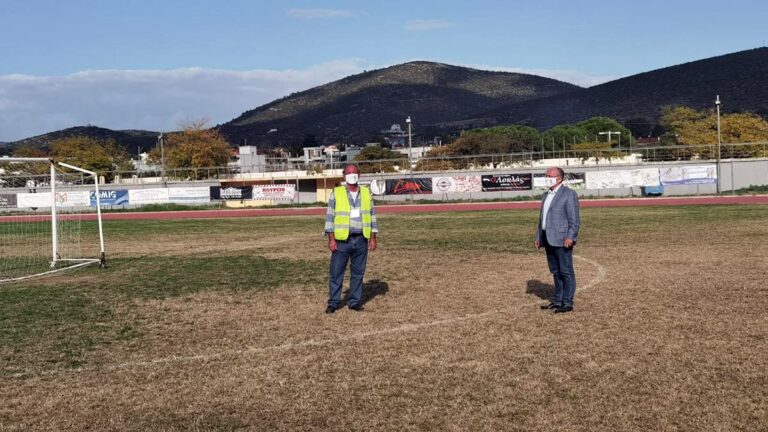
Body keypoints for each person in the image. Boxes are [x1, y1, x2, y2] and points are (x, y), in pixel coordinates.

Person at [324, 164, 378, 314]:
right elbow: (330, 217)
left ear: (359, 175)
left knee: (358, 273)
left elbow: (372, 216)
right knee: (336, 273)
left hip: (361, 239)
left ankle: (354, 301)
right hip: (342, 240)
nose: (352, 175)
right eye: (349, 172)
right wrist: (331, 238)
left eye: (354, 172)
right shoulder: (337, 193)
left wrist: (373, 237)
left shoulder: (367, 193)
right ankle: (333, 302)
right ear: (343, 175)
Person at [534, 167, 580, 313]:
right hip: (548, 239)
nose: (546, 177)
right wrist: (538, 236)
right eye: (545, 175)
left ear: (559, 178)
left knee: (565, 271)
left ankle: (567, 302)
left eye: (549, 175)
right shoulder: (545, 195)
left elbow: (574, 220)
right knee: (555, 271)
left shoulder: (569, 194)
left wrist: (570, 236)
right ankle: (557, 300)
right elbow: (542, 218)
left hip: (562, 239)